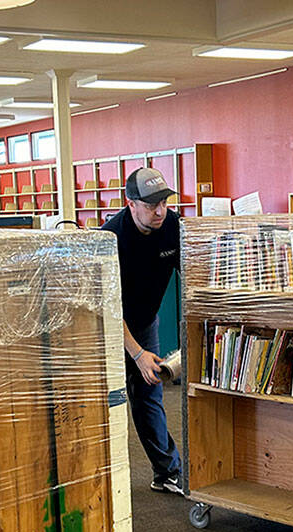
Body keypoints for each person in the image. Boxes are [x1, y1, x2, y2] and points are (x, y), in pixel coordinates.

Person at [101, 167, 184, 495]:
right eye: (151, 205)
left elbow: (189, 275)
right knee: (106, 400)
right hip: (107, 327)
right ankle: (101, 480)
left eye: (163, 202)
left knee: (149, 394)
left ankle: (167, 473)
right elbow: (108, 307)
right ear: (130, 203)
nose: (160, 211)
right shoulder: (111, 239)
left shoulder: (173, 226)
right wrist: (136, 353)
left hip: (145, 320)